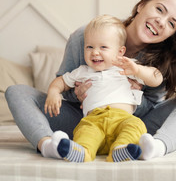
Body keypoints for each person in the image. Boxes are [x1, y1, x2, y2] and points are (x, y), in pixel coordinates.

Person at [5, 0, 176, 162]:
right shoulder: (87, 35)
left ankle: (156, 147)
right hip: (85, 120)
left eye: (172, 23)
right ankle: (49, 145)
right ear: (141, 5)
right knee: (16, 91)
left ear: (172, 33)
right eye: (159, 9)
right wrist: (78, 94)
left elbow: (151, 105)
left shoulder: (161, 60)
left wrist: (131, 91)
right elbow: (62, 87)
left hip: (132, 123)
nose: (161, 21)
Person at [44, 14, 163, 162]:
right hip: (94, 119)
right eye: (89, 47)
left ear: (120, 52)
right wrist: (53, 92)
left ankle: (121, 149)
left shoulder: (127, 67)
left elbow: (157, 78)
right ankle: (83, 152)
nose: (95, 52)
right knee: (85, 130)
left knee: (136, 125)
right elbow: (60, 81)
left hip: (123, 119)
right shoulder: (82, 71)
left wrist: (138, 70)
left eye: (103, 47)